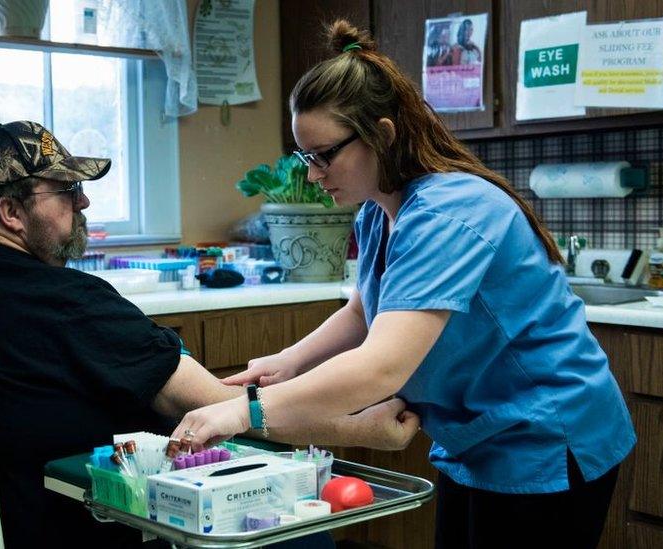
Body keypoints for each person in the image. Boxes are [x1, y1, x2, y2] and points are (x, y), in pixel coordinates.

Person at [172, 22, 635, 549]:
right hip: (479, 436)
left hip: (547, 436)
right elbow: (365, 308)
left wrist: (245, 412)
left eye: (324, 154)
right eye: (306, 157)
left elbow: (381, 368)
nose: (314, 173)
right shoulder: (379, 210)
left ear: (384, 135)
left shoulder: (449, 212)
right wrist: (290, 360)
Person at [0, 120, 421, 548]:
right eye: (66, 191)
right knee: (297, 530)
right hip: (94, 520)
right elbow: (216, 412)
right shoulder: (68, 303)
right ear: (11, 213)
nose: (83, 202)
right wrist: (359, 430)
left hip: (10, 523)